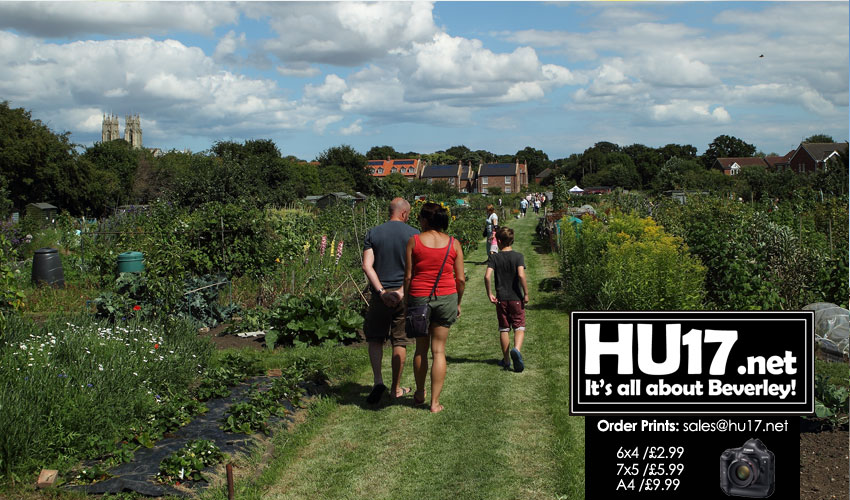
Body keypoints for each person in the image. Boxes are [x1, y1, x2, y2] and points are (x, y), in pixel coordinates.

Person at [404, 203, 465, 413]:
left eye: (420, 217)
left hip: (420, 297)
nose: (418, 220)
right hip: (447, 297)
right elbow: (461, 279)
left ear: (426, 220)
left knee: (420, 349)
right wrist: (457, 302)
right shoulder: (454, 244)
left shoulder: (414, 241)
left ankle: (420, 392)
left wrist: (407, 302)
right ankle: (435, 402)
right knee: (439, 351)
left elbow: (409, 276)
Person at [362, 197, 420, 404]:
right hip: (404, 295)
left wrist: (381, 292)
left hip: (381, 295)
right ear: (404, 213)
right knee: (400, 340)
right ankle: (395, 388)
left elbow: (367, 266)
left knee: (375, 338)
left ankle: (378, 381)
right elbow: (417, 268)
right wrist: (402, 292)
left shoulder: (374, 233)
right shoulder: (414, 234)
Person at [484, 227, 529, 373]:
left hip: (501, 299)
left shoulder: (494, 258)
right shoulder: (518, 256)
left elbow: (487, 276)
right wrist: (526, 293)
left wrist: (489, 293)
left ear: (499, 241)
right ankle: (516, 349)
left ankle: (506, 360)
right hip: (516, 297)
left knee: (504, 328)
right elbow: (521, 275)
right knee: (519, 326)